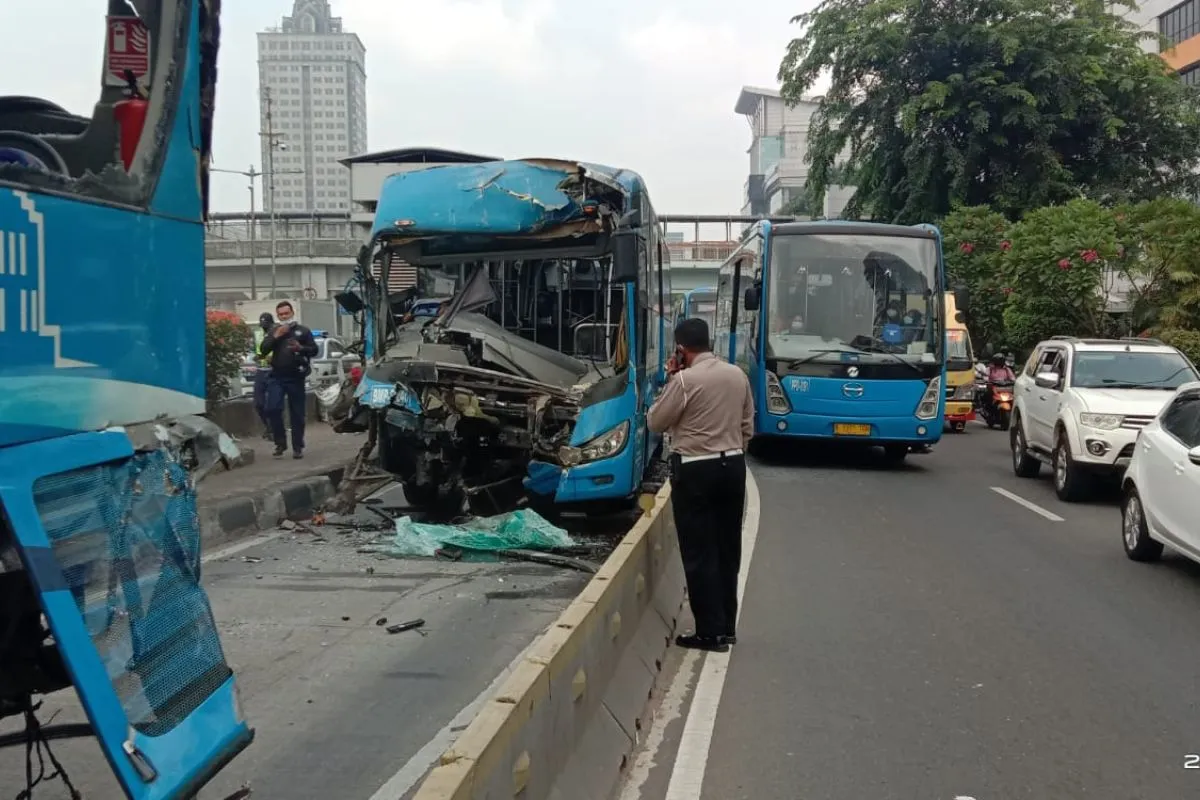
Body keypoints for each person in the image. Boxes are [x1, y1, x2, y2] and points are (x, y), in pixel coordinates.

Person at [647, 318, 754, 653]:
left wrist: (670, 377)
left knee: (699, 551)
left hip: (695, 470)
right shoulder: (737, 375)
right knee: (727, 548)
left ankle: (709, 633)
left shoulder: (684, 381)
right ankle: (727, 627)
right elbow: (747, 425)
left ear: (681, 349)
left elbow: (656, 422)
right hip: (733, 465)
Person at [259, 301, 318, 459]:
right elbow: (263, 350)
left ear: (292, 313)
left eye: (287, 313)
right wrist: (276, 336)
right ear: (277, 316)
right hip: (277, 376)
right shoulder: (274, 331)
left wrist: (301, 348)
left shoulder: (303, 331)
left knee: (297, 414)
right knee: (272, 408)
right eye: (281, 314)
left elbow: (314, 350)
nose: (284, 316)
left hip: (296, 376)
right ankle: (280, 442)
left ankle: (298, 446)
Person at [251, 312, 275, 439]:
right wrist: (255, 356)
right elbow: (253, 350)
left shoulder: (277, 333)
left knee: (272, 404)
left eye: (266, 324)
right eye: (262, 324)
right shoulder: (257, 334)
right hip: (260, 370)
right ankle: (268, 427)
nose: (264, 327)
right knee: (259, 404)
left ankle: (273, 430)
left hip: (273, 371)